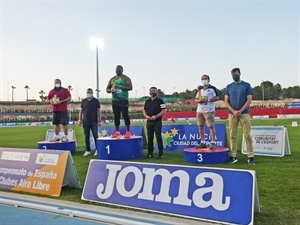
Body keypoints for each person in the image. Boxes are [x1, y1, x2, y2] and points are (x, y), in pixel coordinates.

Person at [224, 67, 255, 165]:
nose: (235, 76)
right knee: (232, 135)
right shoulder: (229, 87)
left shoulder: (246, 85)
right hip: (232, 114)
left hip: (244, 113)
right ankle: (233, 156)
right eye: (233, 75)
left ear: (240, 74)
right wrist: (233, 111)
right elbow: (226, 100)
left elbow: (249, 99)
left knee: (247, 135)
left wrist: (240, 110)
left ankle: (250, 156)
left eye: (236, 74)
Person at [106, 65, 132, 138]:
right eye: (117, 69)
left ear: (122, 70)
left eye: (120, 69)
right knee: (116, 116)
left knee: (125, 115)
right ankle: (117, 132)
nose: (118, 70)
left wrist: (120, 87)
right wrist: (111, 90)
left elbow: (130, 87)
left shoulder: (125, 78)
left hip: (123, 99)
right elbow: (107, 89)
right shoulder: (112, 79)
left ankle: (128, 132)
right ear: (115, 70)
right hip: (115, 100)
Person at [195, 74, 219, 150]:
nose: (204, 80)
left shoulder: (212, 88)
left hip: (209, 110)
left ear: (209, 80)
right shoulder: (200, 89)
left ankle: (213, 143)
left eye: (205, 78)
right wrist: (199, 101)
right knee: (200, 126)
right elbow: (196, 99)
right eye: (202, 79)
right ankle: (203, 142)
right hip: (200, 110)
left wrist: (208, 100)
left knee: (211, 126)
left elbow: (217, 97)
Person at [143, 87, 166, 158]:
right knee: (150, 138)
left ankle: (160, 153)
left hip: (157, 122)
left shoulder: (160, 101)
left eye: (154, 91)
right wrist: (146, 116)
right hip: (149, 122)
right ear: (149, 92)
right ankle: (150, 153)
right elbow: (144, 110)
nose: (153, 92)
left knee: (158, 138)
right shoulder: (147, 101)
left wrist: (156, 116)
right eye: (151, 91)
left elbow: (164, 110)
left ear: (156, 92)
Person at [78, 88, 101, 157]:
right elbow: (81, 111)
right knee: (86, 136)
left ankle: (97, 150)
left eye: (90, 92)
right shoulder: (84, 101)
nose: (89, 93)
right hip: (85, 121)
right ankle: (88, 150)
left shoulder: (96, 101)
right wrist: (80, 119)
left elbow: (98, 111)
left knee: (95, 136)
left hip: (94, 121)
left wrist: (99, 120)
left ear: (92, 93)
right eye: (88, 92)